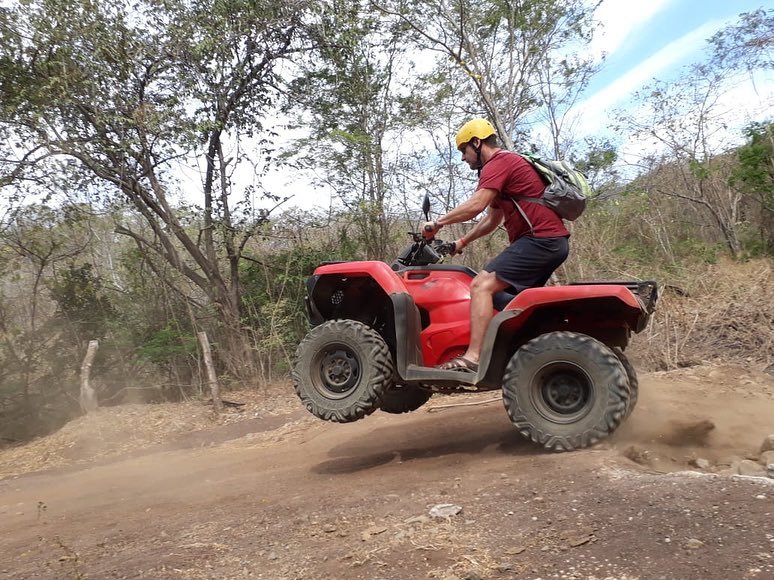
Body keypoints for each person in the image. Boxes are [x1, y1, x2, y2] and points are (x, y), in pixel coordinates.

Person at [422, 118, 570, 372]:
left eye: (463, 151)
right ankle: (523, 359)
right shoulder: (507, 166)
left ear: (477, 143)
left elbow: (476, 204)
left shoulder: (500, 162)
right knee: (508, 301)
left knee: (480, 286)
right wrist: (462, 241)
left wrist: (438, 223)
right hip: (548, 242)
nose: (463, 158)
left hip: (540, 240)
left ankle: (472, 358)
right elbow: (492, 218)